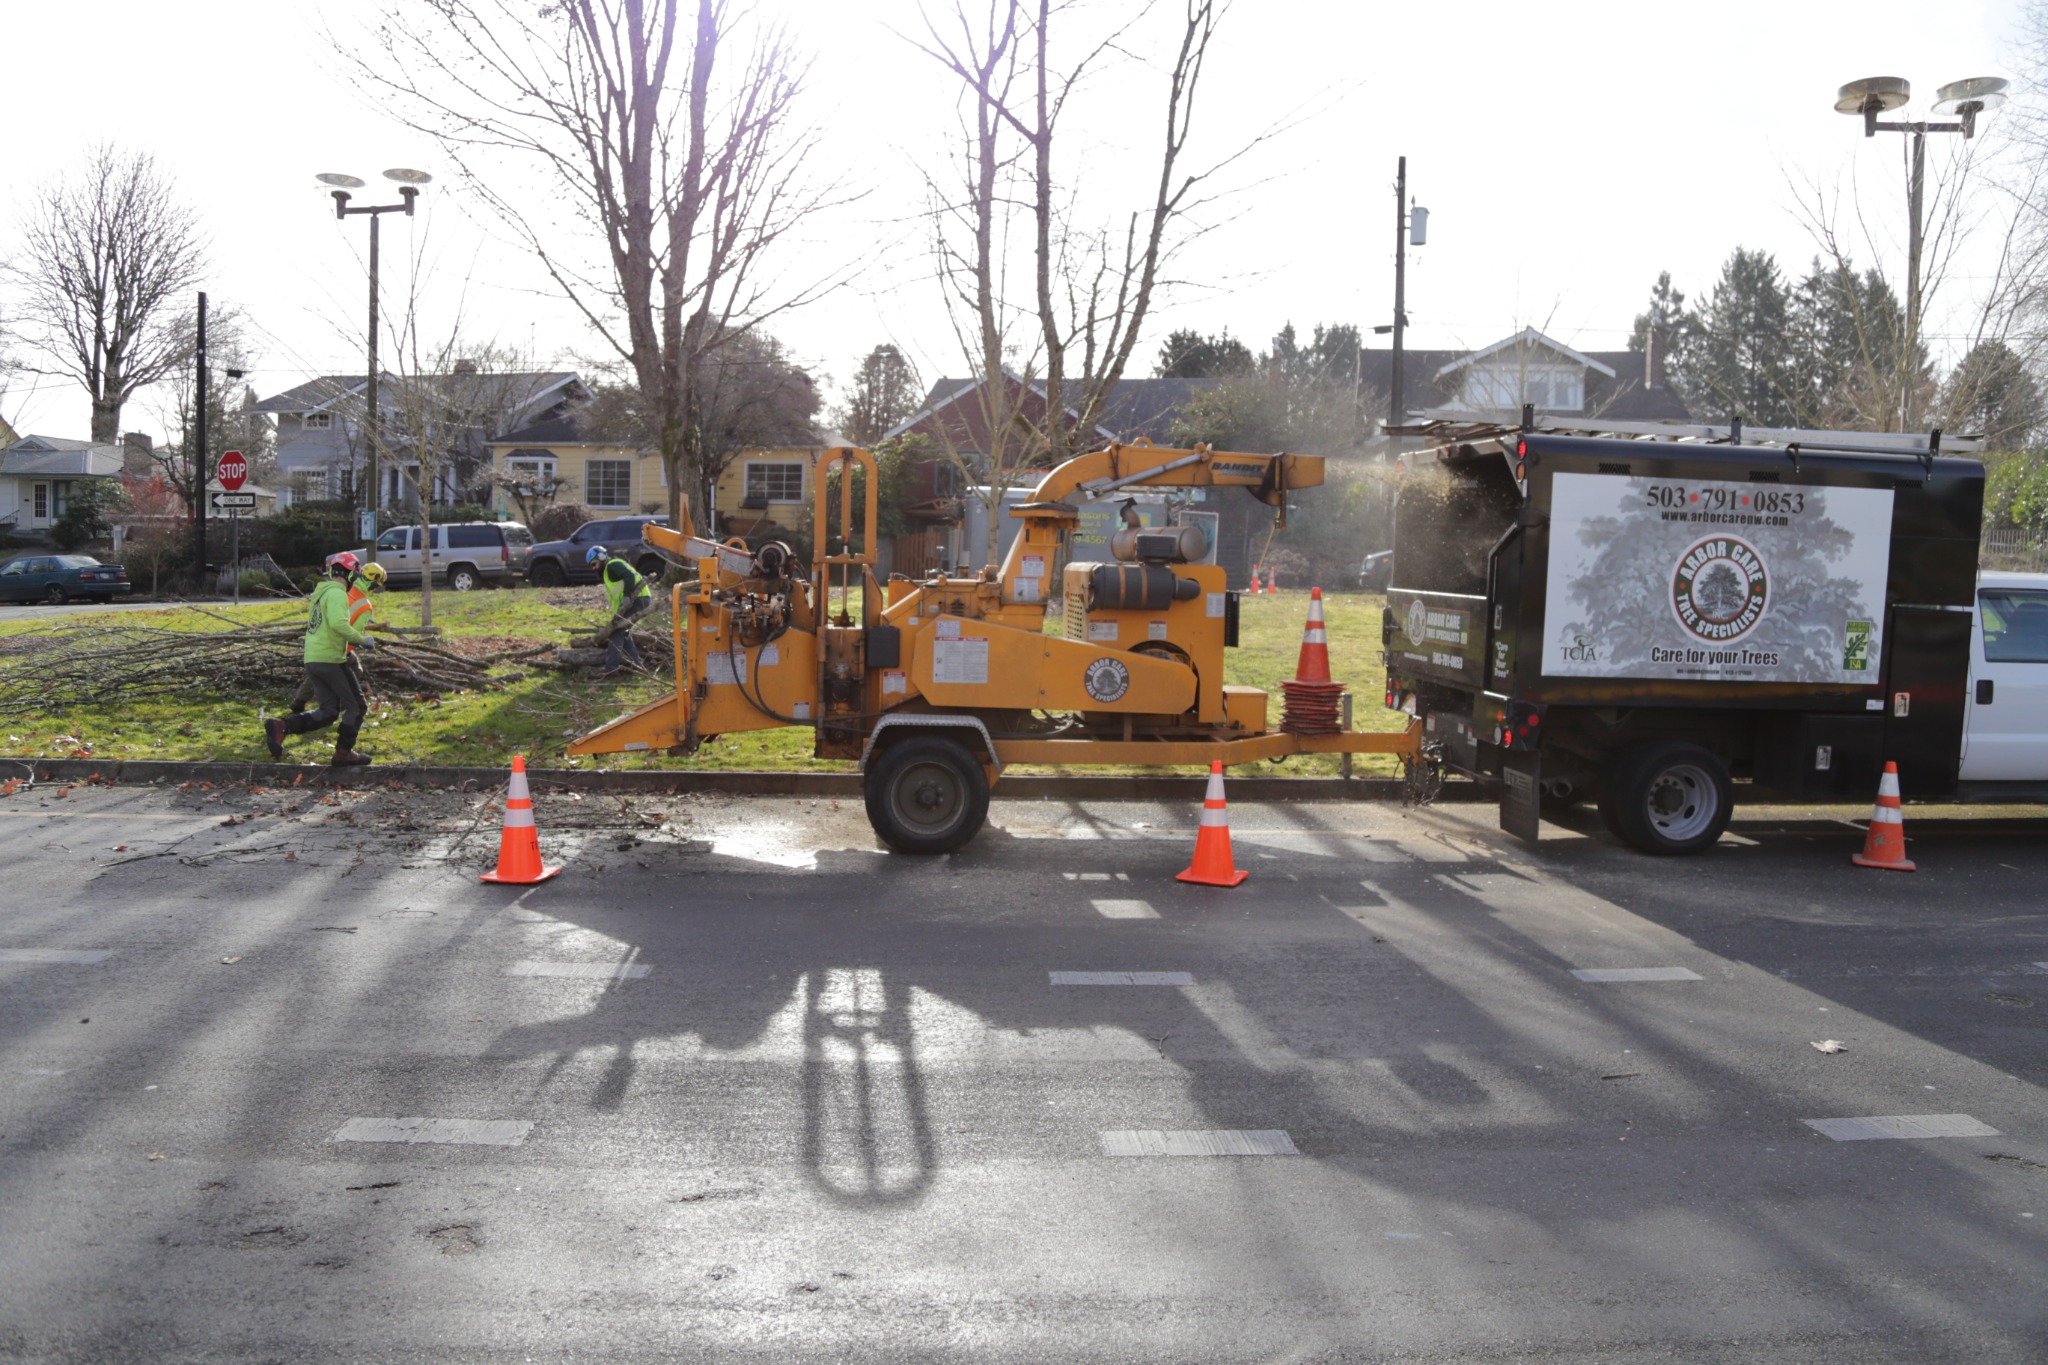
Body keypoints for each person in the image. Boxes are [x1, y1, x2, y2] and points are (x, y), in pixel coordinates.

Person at [264, 553, 376, 766]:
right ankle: (344, 752)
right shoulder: (337, 594)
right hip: (331, 659)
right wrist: (362, 640)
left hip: (313, 659)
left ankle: (282, 726)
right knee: (357, 707)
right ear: (349, 573)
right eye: (356, 572)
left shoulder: (321, 593)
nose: (357, 576)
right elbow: (338, 625)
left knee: (328, 712)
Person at [288, 558, 388, 714]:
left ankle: (300, 701)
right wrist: (359, 643)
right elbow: (354, 630)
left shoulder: (340, 589)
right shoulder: (365, 605)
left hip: (320, 641)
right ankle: (340, 704)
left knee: (318, 672)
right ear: (375, 584)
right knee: (354, 670)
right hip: (341, 645)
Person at [588, 544, 653, 673]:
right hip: (638, 600)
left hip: (637, 599)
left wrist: (627, 597)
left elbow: (629, 576)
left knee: (616, 632)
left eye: (594, 564)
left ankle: (611, 669)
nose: (594, 568)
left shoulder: (613, 565)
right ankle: (638, 666)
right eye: (591, 566)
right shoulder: (608, 572)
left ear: (601, 557)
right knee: (624, 633)